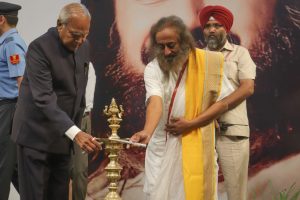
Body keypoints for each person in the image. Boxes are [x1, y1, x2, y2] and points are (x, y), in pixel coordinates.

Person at [130, 15, 234, 200]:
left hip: (197, 140)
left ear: (185, 42)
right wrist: (147, 131)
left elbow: (223, 102)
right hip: (161, 144)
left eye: (171, 45)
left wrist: (192, 124)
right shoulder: (153, 69)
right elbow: (155, 101)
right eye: (160, 47)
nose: (167, 52)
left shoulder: (208, 63)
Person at [11, 3, 100, 200]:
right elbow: (44, 98)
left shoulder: (84, 46)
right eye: (76, 35)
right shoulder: (39, 48)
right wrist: (76, 133)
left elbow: (78, 93)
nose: (80, 40)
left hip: (63, 139)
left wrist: (77, 130)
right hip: (35, 138)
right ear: (60, 25)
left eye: (85, 34)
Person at [199, 5, 256, 200]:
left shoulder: (240, 53)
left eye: (217, 25)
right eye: (207, 26)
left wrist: (216, 109)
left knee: (236, 192)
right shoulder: (197, 58)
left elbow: (247, 87)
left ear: (227, 29)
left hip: (232, 131)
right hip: (202, 131)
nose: (212, 30)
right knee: (204, 191)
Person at [0, 2, 27, 200]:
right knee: (14, 166)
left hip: (9, 110)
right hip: (7, 110)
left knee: (3, 164)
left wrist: (21, 115)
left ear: (1, 19)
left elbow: (22, 82)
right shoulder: (6, 43)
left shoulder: (11, 44)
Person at [71, 62, 96, 200]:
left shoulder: (87, 64)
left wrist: (87, 124)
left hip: (83, 118)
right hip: (61, 119)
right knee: (58, 169)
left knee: (80, 171)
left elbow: (89, 101)